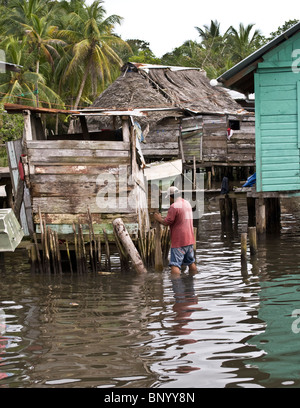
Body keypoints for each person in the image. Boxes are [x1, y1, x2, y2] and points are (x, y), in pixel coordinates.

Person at [154, 186, 197, 275]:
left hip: (179, 241)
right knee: (191, 262)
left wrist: (159, 219)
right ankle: (193, 279)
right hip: (189, 239)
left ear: (171, 197)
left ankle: (176, 285)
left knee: (175, 265)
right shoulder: (187, 203)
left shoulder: (174, 206)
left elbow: (167, 222)